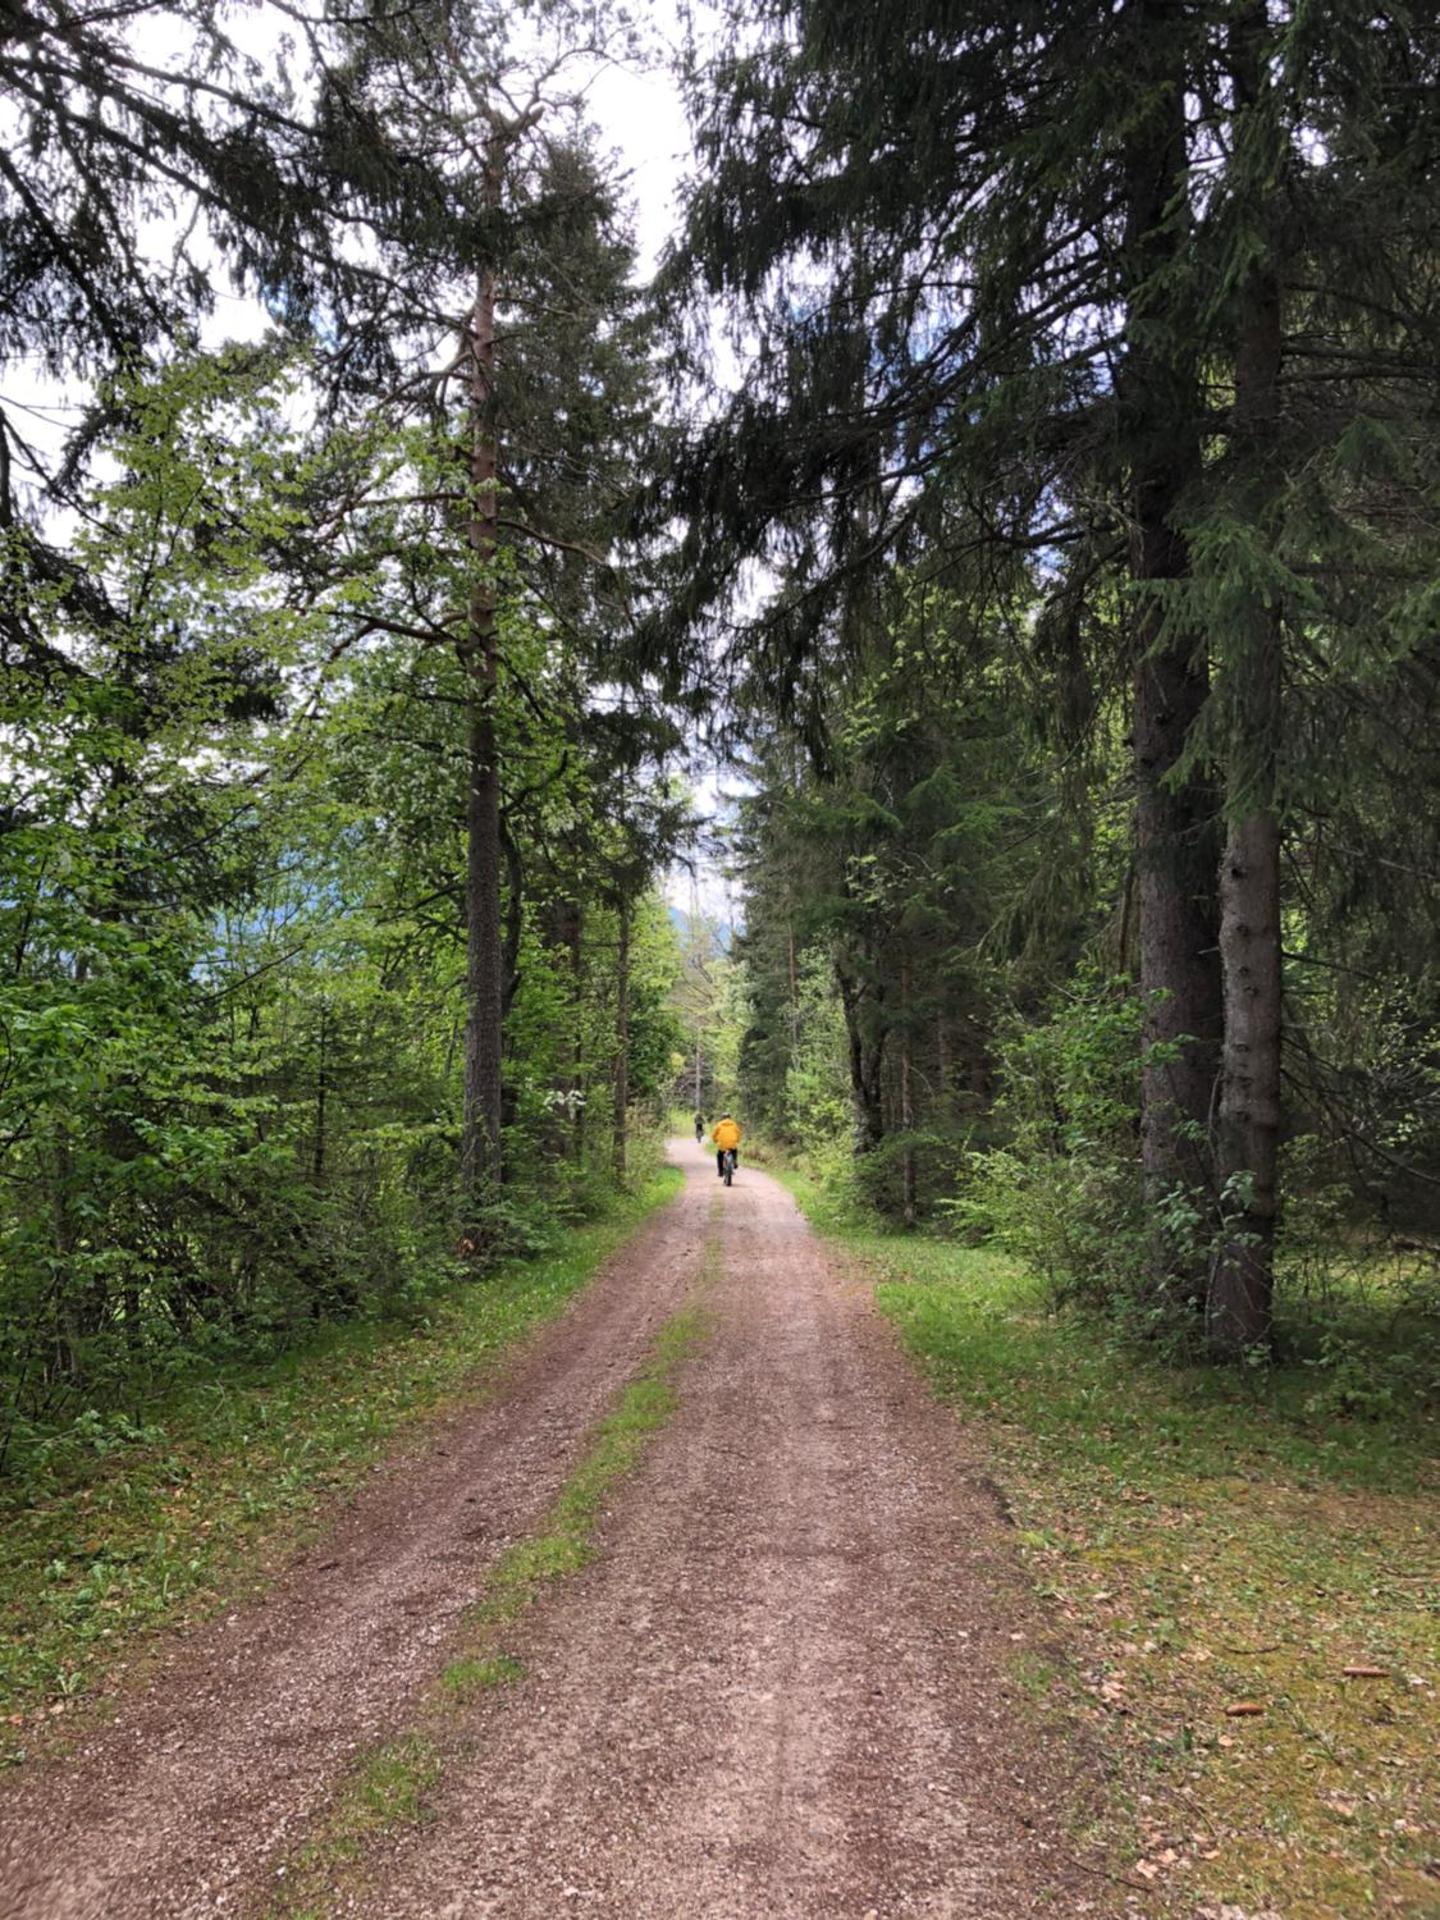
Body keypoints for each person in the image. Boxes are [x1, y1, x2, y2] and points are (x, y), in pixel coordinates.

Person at [711, 1111, 742, 1179]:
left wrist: (715, 1140)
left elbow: (714, 1134)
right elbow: (738, 1133)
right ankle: (734, 1162)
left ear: (722, 1118)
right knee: (734, 1150)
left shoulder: (719, 1124)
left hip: (722, 1144)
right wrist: (738, 1140)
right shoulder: (734, 1124)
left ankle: (720, 1171)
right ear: (730, 1118)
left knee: (719, 1155)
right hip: (732, 1143)